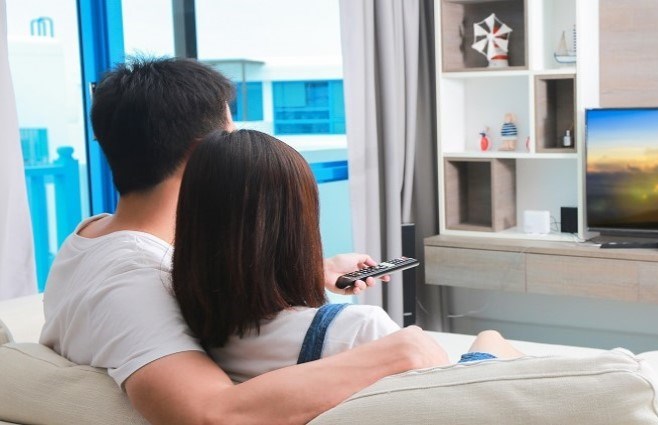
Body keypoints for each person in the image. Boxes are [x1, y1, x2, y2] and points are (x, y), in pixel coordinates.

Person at [38, 57, 451, 424]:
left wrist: (307, 270)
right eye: (230, 131)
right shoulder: (131, 281)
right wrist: (403, 351)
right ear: (205, 153)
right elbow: (211, 415)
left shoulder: (94, 235)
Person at [172, 130, 522, 381]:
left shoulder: (187, 328)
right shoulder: (358, 329)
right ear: (298, 227)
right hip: (458, 397)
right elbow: (443, 400)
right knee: (491, 339)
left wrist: (317, 272)